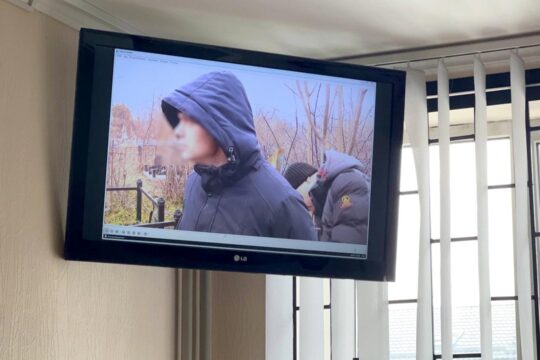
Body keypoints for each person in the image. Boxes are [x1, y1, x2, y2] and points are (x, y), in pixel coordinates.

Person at [161, 71, 317, 241]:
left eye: (189, 121)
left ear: (219, 124)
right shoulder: (194, 182)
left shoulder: (282, 203)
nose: (178, 132)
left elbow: (308, 266)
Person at [283, 150, 370, 244]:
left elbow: (347, 248)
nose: (300, 205)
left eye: (297, 197)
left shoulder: (347, 184)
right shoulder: (323, 204)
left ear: (307, 180)